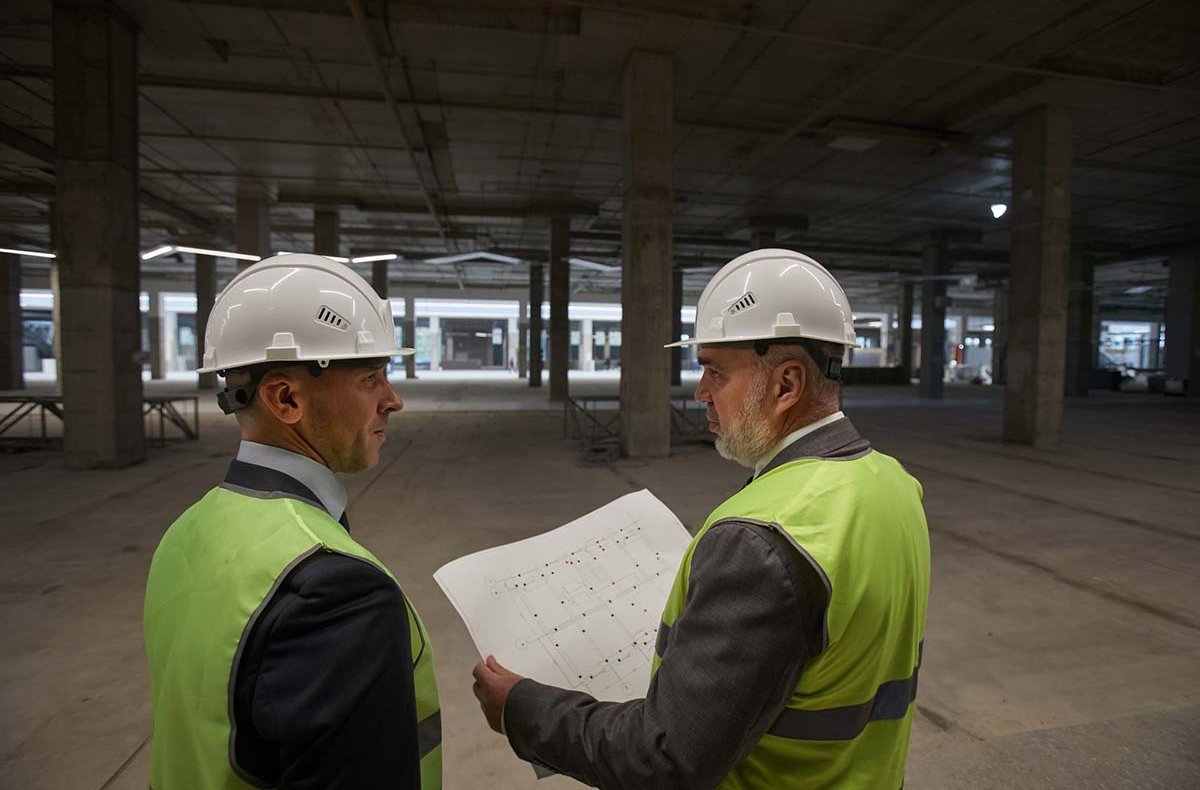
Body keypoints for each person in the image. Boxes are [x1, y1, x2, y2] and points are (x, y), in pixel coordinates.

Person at [472, 248, 930, 789]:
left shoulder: (759, 540)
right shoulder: (896, 486)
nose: (700, 392)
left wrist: (523, 709)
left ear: (787, 385)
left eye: (715, 371)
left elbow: (665, 759)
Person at [144, 253, 442, 789]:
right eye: (371, 378)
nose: (393, 400)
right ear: (285, 398)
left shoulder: (186, 531)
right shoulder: (336, 589)